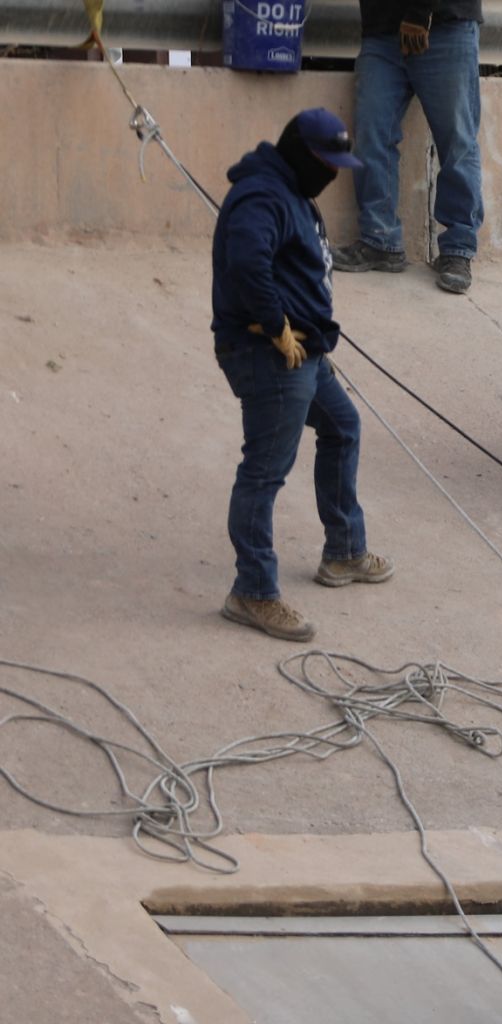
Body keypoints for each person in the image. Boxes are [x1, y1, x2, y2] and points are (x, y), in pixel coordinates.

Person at [211, 108, 393, 643]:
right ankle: (253, 592)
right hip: (270, 355)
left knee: (342, 427)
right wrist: (276, 328)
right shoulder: (262, 195)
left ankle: (343, 553)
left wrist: (309, 337)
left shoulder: (290, 188)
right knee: (264, 471)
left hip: (305, 354)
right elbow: (247, 263)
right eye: (328, 163)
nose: (334, 174)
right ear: (303, 154)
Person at [331, 0, 485, 294]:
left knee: (457, 143)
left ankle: (458, 249)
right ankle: (380, 240)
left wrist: (420, 11)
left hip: (444, 24)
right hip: (382, 32)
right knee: (372, 134)